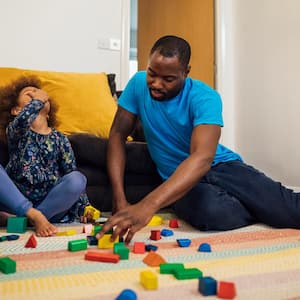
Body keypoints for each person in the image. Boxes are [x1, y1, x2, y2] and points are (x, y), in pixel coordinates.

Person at [97, 35, 300, 244]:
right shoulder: (138, 84)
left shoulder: (205, 97)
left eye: (168, 79)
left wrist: (147, 205)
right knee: (209, 212)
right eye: (152, 73)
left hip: (222, 167)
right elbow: (117, 135)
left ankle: (267, 206)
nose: (156, 84)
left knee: (290, 212)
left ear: (186, 72)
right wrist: (119, 197)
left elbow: (202, 158)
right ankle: (262, 208)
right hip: (179, 180)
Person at [0, 75, 89, 237]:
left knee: (78, 179)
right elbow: (21, 122)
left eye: (41, 94)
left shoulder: (60, 138)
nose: (37, 95)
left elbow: (70, 174)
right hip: (17, 201)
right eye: (29, 94)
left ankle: (28, 219)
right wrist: (38, 100)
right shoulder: (16, 132)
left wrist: (85, 208)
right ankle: (32, 215)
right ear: (16, 111)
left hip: (50, 206)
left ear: (48, 114)